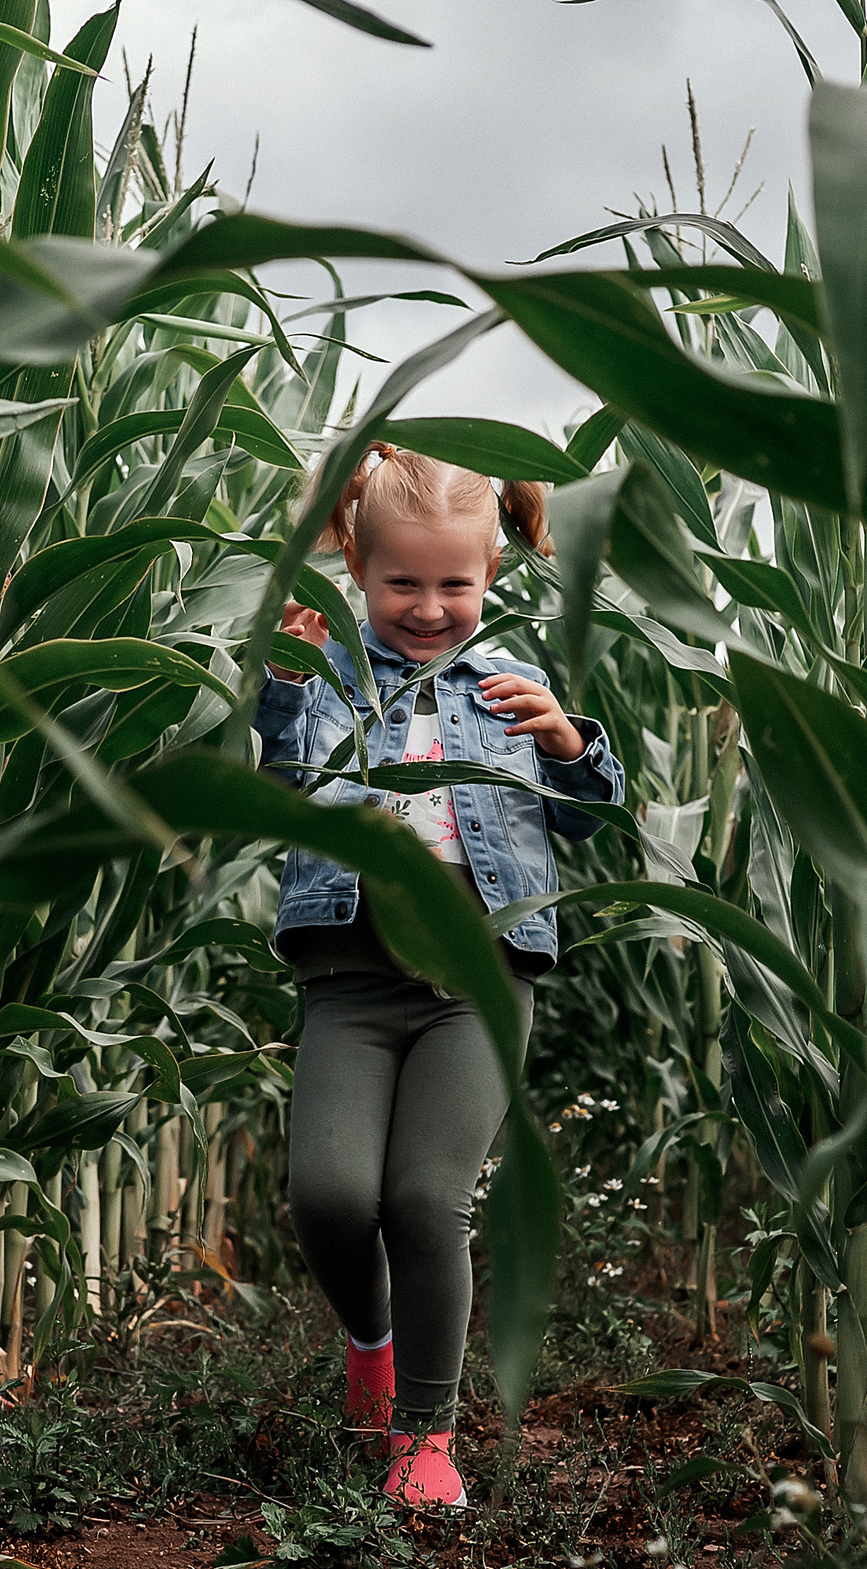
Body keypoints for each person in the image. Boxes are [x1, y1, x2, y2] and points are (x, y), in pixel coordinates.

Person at [252, 445, 625, 1509]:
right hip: (350, 971)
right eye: (399, 582)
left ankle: (424, 1432)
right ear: (357, 566)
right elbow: (279, 778)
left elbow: (592, 819)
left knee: (426, 1197)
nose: (426, 606)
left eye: (452, 583)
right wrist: (284, 685)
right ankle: (368, 1343)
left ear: (491, 574)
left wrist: (565, 742)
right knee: (328, 1195)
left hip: (477, 975)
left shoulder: (514, 688)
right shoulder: (329, 678)